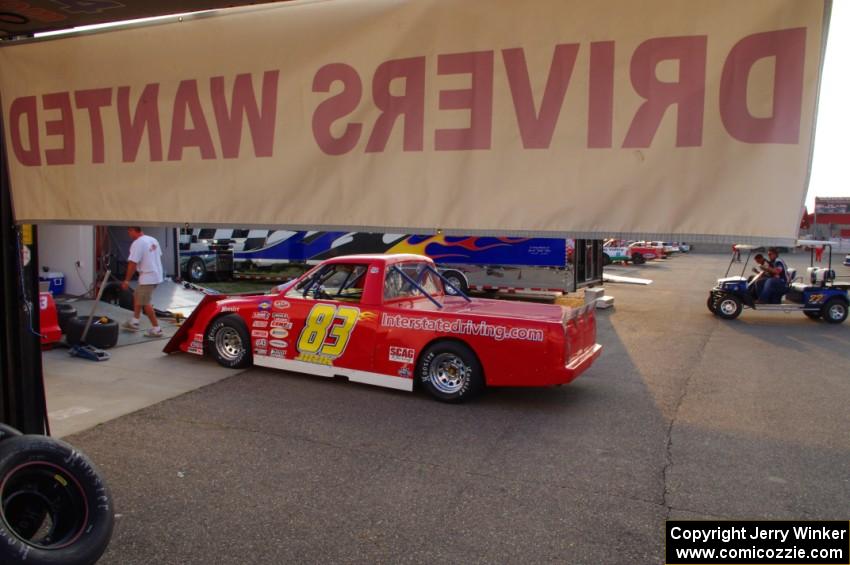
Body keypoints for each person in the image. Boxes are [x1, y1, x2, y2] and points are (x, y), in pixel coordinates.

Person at [120, 227, 164, 337]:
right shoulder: (153, 239)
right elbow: (157, 256)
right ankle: (135, 321)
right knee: (137, 295)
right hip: (156, 275)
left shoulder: (138, 243)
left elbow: (132, 263)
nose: (128, 234)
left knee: (145, 302)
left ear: (133, 230)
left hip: (148, 277)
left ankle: (157, 329)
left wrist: (126, 280)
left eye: (129, 231)